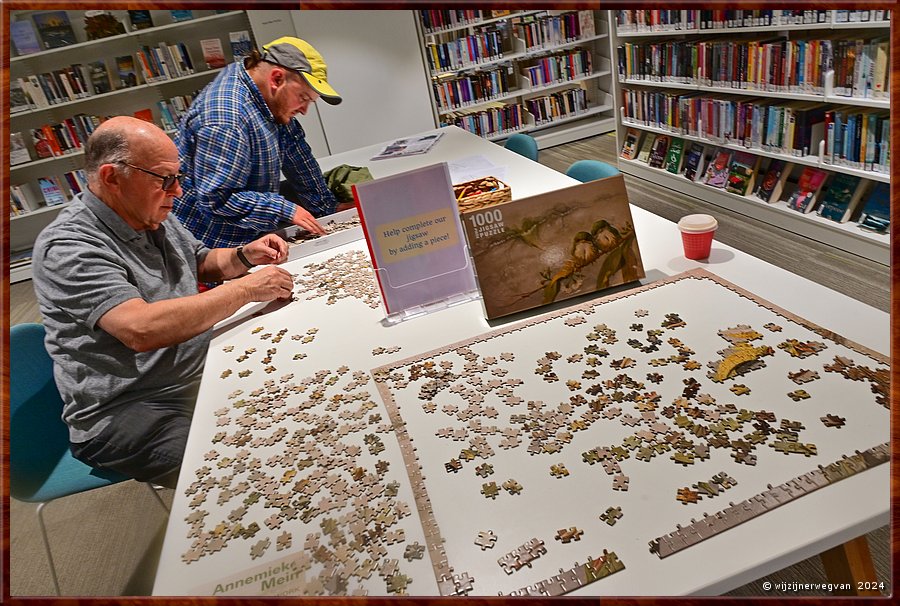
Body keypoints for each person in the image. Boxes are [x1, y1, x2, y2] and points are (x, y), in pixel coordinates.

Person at [32, 116, 295, 488]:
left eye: (178, 177)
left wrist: (244, 255)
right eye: (165, 179)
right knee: (243, 472)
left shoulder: (149, 209)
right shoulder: (69, 246)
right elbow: (140, 328)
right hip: (127, 409)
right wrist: (245, 290)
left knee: (294, 414)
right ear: (111, 177)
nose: (178, 191)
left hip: (197, 371)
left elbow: (201, 261)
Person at [173, 36, 354, 249]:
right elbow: (217, 198)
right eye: (303, 98)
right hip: (212, 243)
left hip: (248, 234)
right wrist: (285, 209)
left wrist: (328, 209)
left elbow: (297, 154)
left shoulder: (268, 97)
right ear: (277, 79)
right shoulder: (225, 117)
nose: (305, 111)